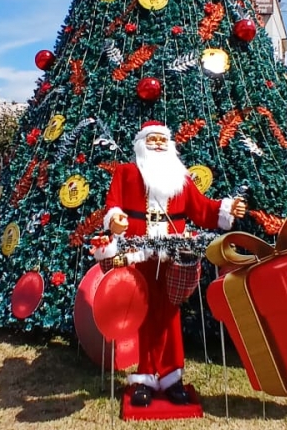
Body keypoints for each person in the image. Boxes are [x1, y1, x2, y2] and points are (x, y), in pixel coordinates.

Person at [93, 121, 247, 407]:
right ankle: (145, 376)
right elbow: (112, 205)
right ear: (141, 143)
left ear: (170, 145)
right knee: (143, 313)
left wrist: (228, 207)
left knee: (169, 314)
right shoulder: (126, 173)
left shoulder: (181, 178)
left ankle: (171, 377)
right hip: (140, 253)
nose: (158, 144)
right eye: (152, 139)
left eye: (163, 140)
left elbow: (203, 209)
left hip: (174, 255)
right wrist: (115, 221)